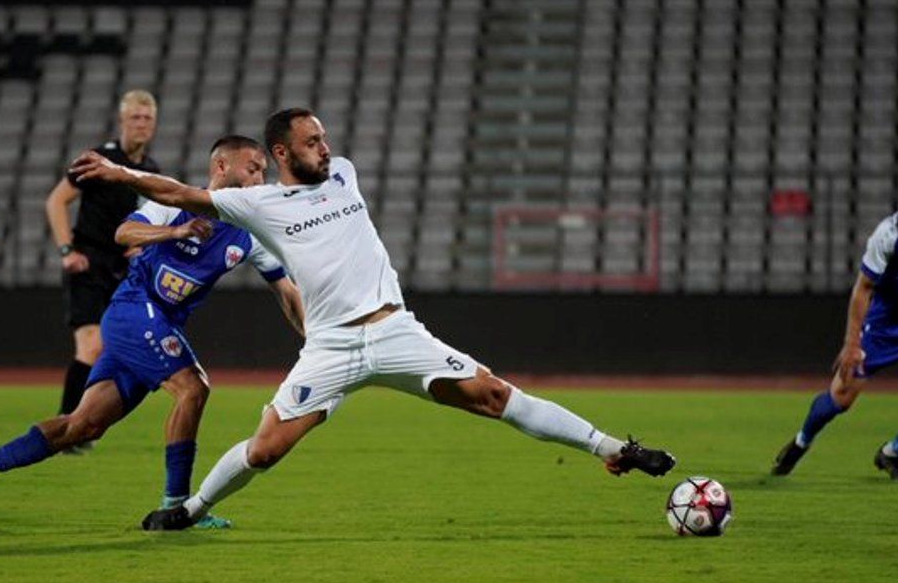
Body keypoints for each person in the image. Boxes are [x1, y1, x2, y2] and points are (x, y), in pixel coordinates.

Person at [68, 108, 677, 532]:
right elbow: (179, 194)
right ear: (280, 153)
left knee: (493, 394)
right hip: (330, 348)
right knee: (265, 451)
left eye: (324, 137)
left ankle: (615, 446)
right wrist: (122, 175)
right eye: (311, 141)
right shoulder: (257, 204)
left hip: (394, 332)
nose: (325, 147)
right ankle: (191, 509)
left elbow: (319, 184)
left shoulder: (343, 174)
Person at [0, 136, 306, 526]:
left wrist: (314, 338)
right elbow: (124, 234)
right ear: (221, 168)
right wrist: (175, 234)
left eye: (263, 172)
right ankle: (178, 506)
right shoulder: (175, 205)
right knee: (193, 388)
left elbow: (287, 293)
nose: (260, 178)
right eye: (252, 168)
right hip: (133, 311)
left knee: (82, 426)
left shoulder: (250, 233)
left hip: (157, 325)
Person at [772, 162, 898, 481]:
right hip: (886, 325)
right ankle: (800, 442)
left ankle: (892, 452)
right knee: (843, 395)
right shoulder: (892, 233)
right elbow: (863, 288)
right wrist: (852, 344)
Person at [45, 90, 160, 440]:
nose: (141, 124)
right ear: (122, 121)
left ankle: (79, 424)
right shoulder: (99, 160)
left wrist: (140, 242)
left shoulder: (149, 171)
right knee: (92, 346)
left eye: (147, 119)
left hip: (121, 269)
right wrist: (67, 250)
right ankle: (68, 425)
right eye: (135, 118)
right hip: (88, 263)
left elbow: (151, 219)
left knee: (111, 349)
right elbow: (57, 200)